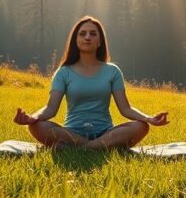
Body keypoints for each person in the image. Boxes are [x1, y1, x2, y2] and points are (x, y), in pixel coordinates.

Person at [12, 15, 168, 150]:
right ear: (76, 40)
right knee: (37, 126)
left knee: (141, 126)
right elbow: (51, 108)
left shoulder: (112, 71)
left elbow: (125, 109)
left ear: (100, 41)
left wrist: (148, 118)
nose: (87, 37)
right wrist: (32, 117)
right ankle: (97, 147)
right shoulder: (64, 72)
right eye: (82, 34)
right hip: (72, 133)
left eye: (93, 34)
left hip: (106, 133)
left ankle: (80, 148)